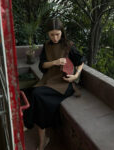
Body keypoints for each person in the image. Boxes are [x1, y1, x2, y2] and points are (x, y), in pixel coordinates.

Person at [23, 18, 85, 150]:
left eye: (57, 34)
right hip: (50, 80)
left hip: (64, 84)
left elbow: (81, 61)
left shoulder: (68, 45)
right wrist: (55, 62)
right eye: (52, 35)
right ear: (48, 34)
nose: (55, 37)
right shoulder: (46, 46)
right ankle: (41, 136)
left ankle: (32, 128)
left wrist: (75, 75)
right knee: (32, 93)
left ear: (62, 32)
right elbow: (42, 65)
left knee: (36, 94)